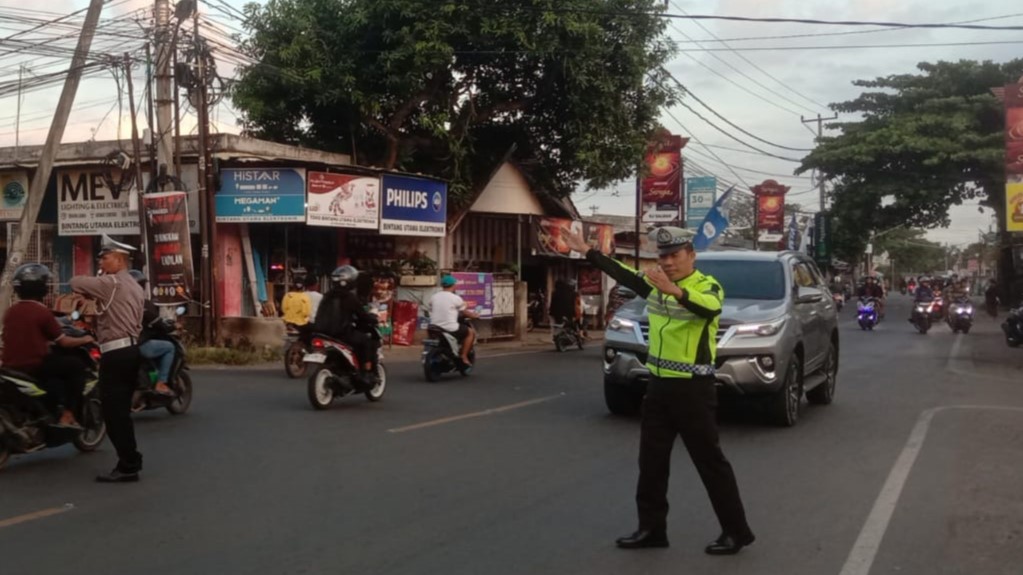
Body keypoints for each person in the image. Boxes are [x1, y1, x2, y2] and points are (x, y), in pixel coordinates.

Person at [562, 225, 754, 556]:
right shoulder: (653, 286)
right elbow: (620, 271)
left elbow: (709, 307)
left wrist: (675, 291)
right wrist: (588, 250)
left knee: (710, 462)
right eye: (662, 256)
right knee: (651, 462)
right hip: (659, 386)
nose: (667, 262)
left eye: (674, 255)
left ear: (691, 255)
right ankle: (652, 528)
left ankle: (736, 531)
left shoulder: (706, 285)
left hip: (694, 390)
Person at [70, 235, 145, 483]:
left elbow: (75, 281)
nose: (101, 261)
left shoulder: (111, 283)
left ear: (120, 260)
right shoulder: (134, 285)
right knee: (120, 412)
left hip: (116, 353)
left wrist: (99, 278)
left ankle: (128, 464)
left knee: (114, 413)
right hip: (131, 351)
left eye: (105, 257)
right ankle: (130, 460)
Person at [1, 263, 95, 428]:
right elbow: (64, 342)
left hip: (11, 366)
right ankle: (67, 414)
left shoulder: (11, 312)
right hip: (35, 365)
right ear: (42, 288)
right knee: (76, 366)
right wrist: (86, 339)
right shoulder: (42, 312)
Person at [311, 265, 380, 388]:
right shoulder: (349, 297)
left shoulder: (326, 296)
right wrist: (373, 319)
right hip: (341, 334)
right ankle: (365, 374)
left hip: (321, 333)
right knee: (367, 342)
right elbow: (362, 315)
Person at [129, 269, 175, 400]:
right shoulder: (142, 303)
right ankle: (161, 383)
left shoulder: (120, 303)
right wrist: (171, 326)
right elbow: (158, 323)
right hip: (139, 344)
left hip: (120, 345)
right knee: (169, 347)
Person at [428, 275, 480, 366]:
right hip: (450, 328)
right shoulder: (455, 298)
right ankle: (463, 356)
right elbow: (464, 312)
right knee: (470, 333)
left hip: (433, 326)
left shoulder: (434, 297)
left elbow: (432, 308)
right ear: (453, 285)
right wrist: (474, 315)